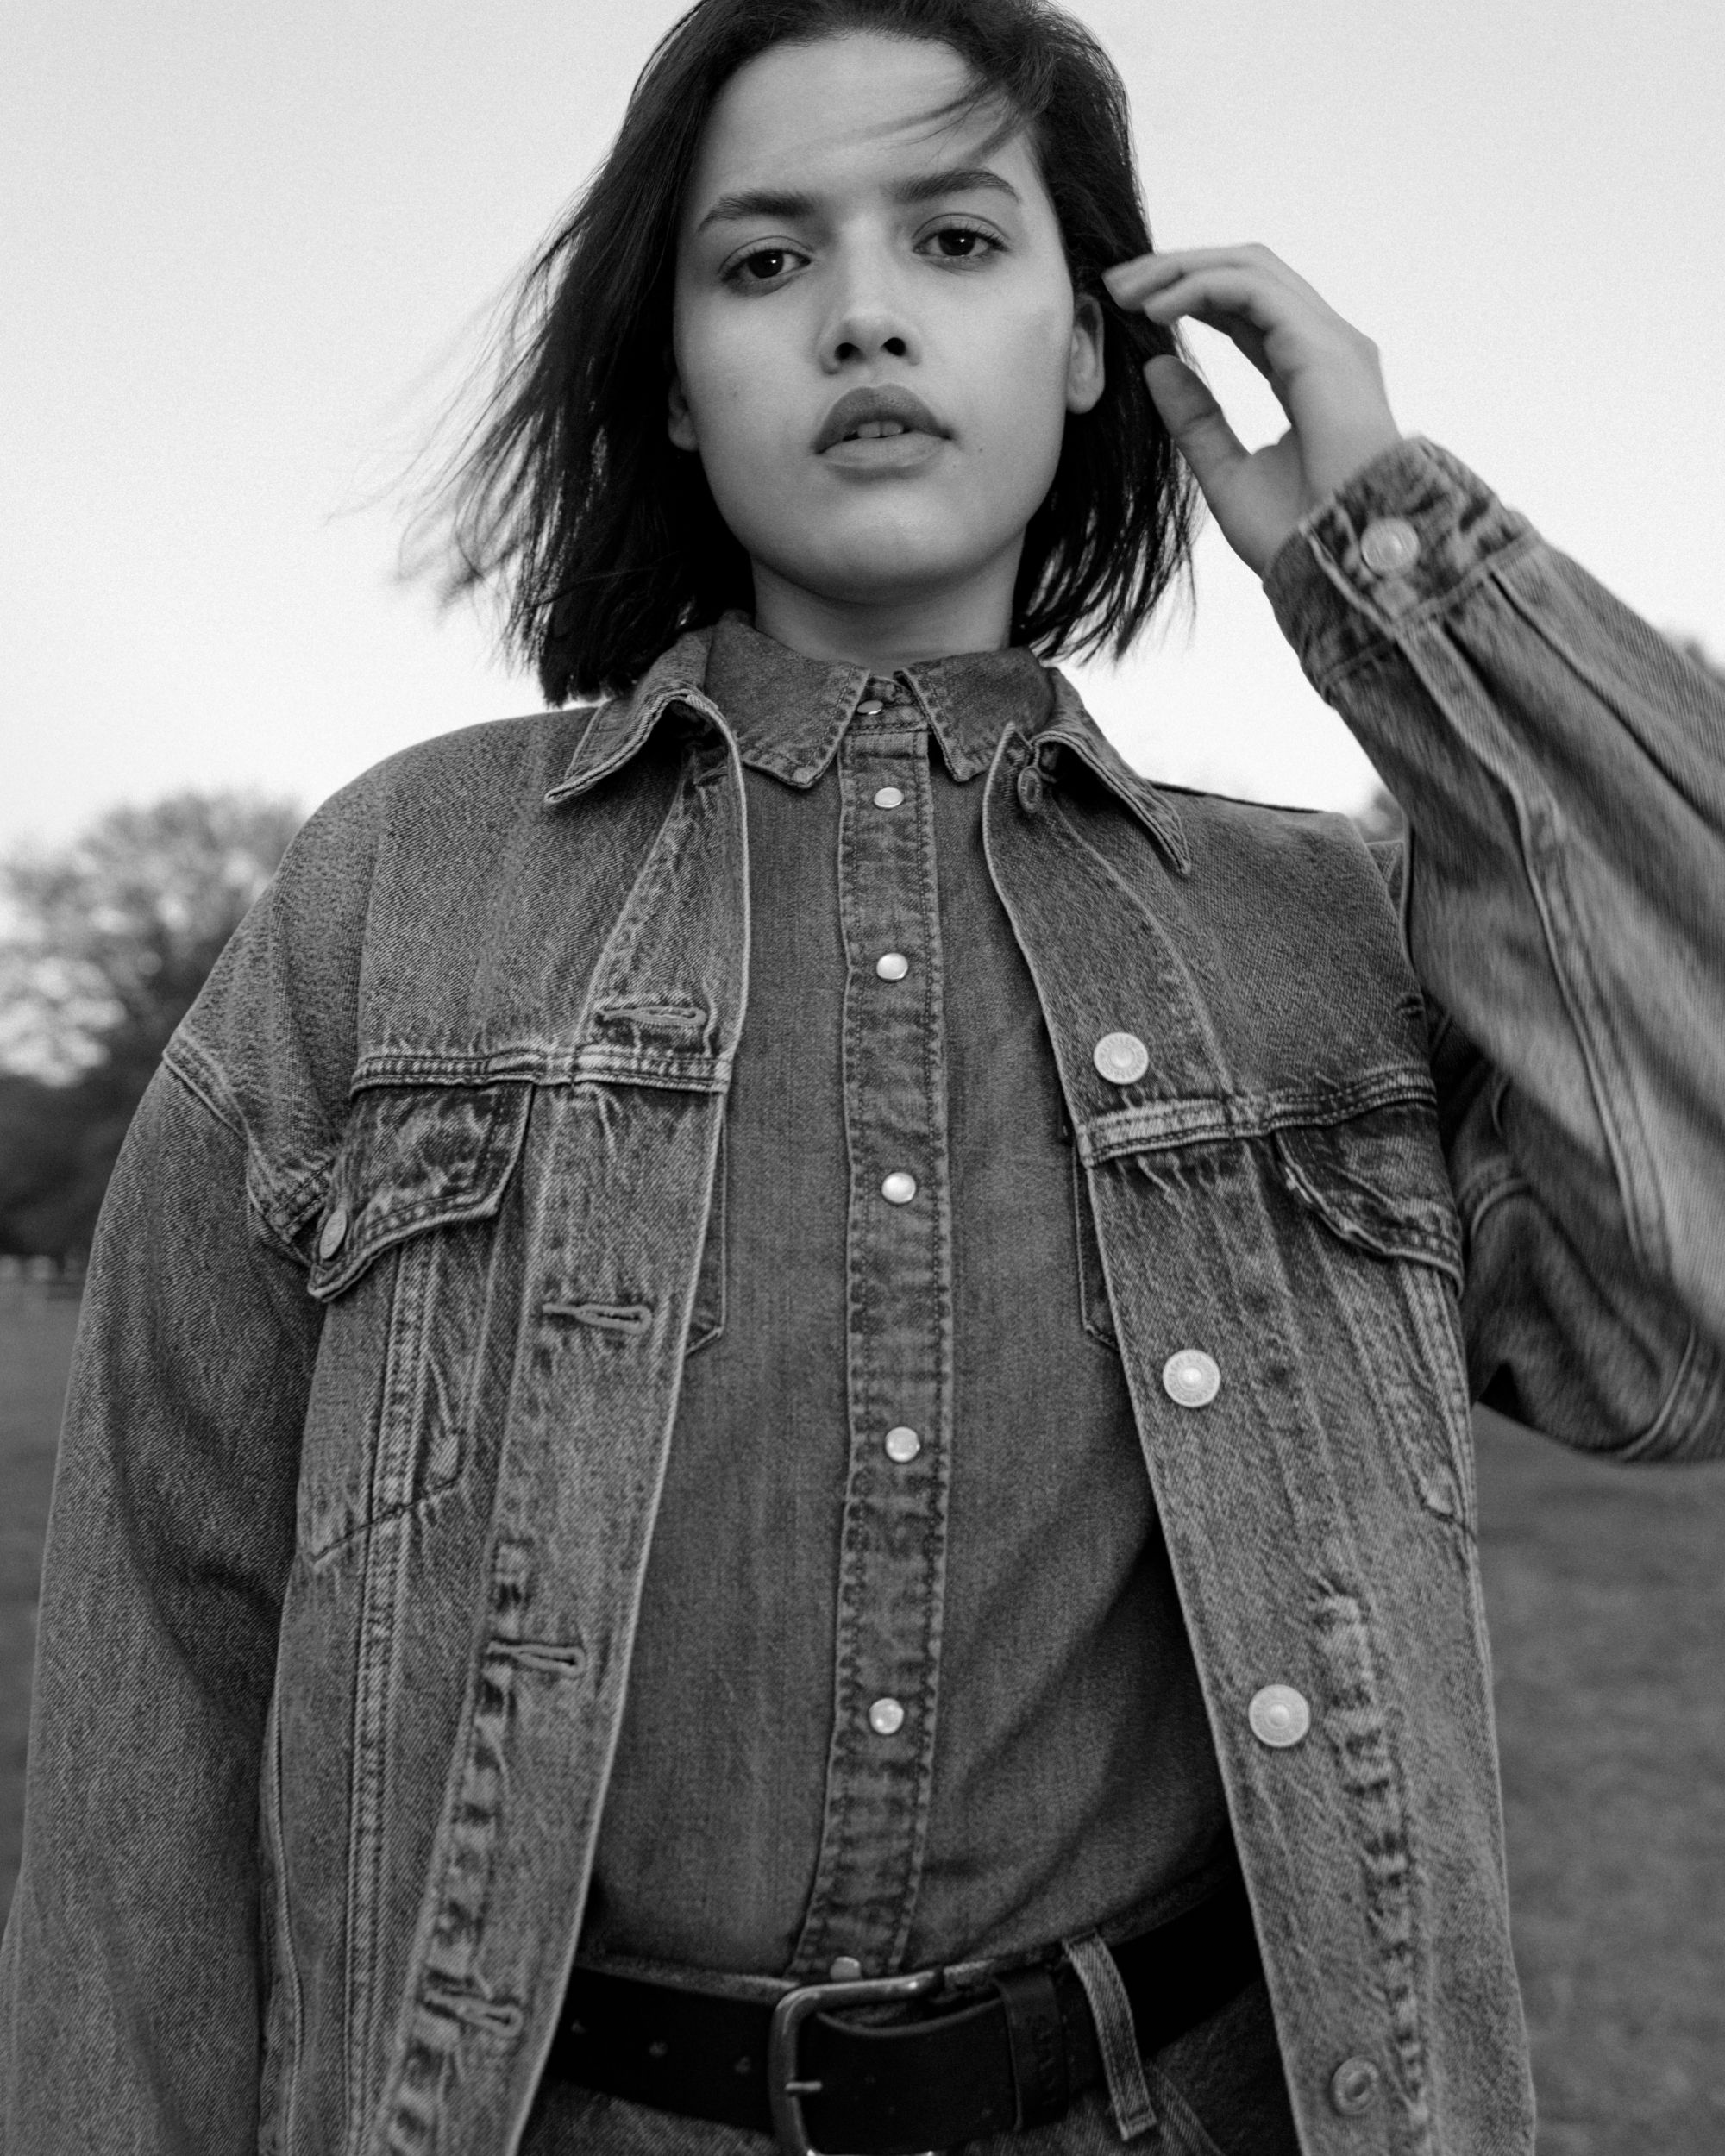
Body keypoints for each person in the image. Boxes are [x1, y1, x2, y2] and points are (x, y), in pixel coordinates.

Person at [3, 0, 1722, 2151]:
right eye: (764, 260)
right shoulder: (401, 888)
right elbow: (165, 1656)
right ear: (673, 380)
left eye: (958, 241)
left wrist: (1385, 556)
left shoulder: (1317, 935)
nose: (863, 317)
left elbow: (1690, 1308)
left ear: (1100, 344)